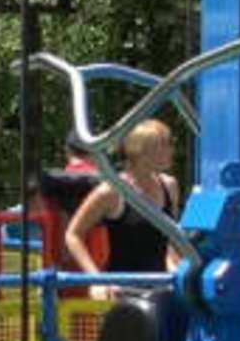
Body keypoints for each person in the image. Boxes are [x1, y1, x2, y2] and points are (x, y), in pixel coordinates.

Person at [62, 119, 185, 292]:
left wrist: (176, 269)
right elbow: (73, 234)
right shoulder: (111, 192)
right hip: (122, 291)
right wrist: (97, 280)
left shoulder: (170, 186)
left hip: (161, 288)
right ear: (141, 150)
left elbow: (171, 239)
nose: (172, 150)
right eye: (165, 144)